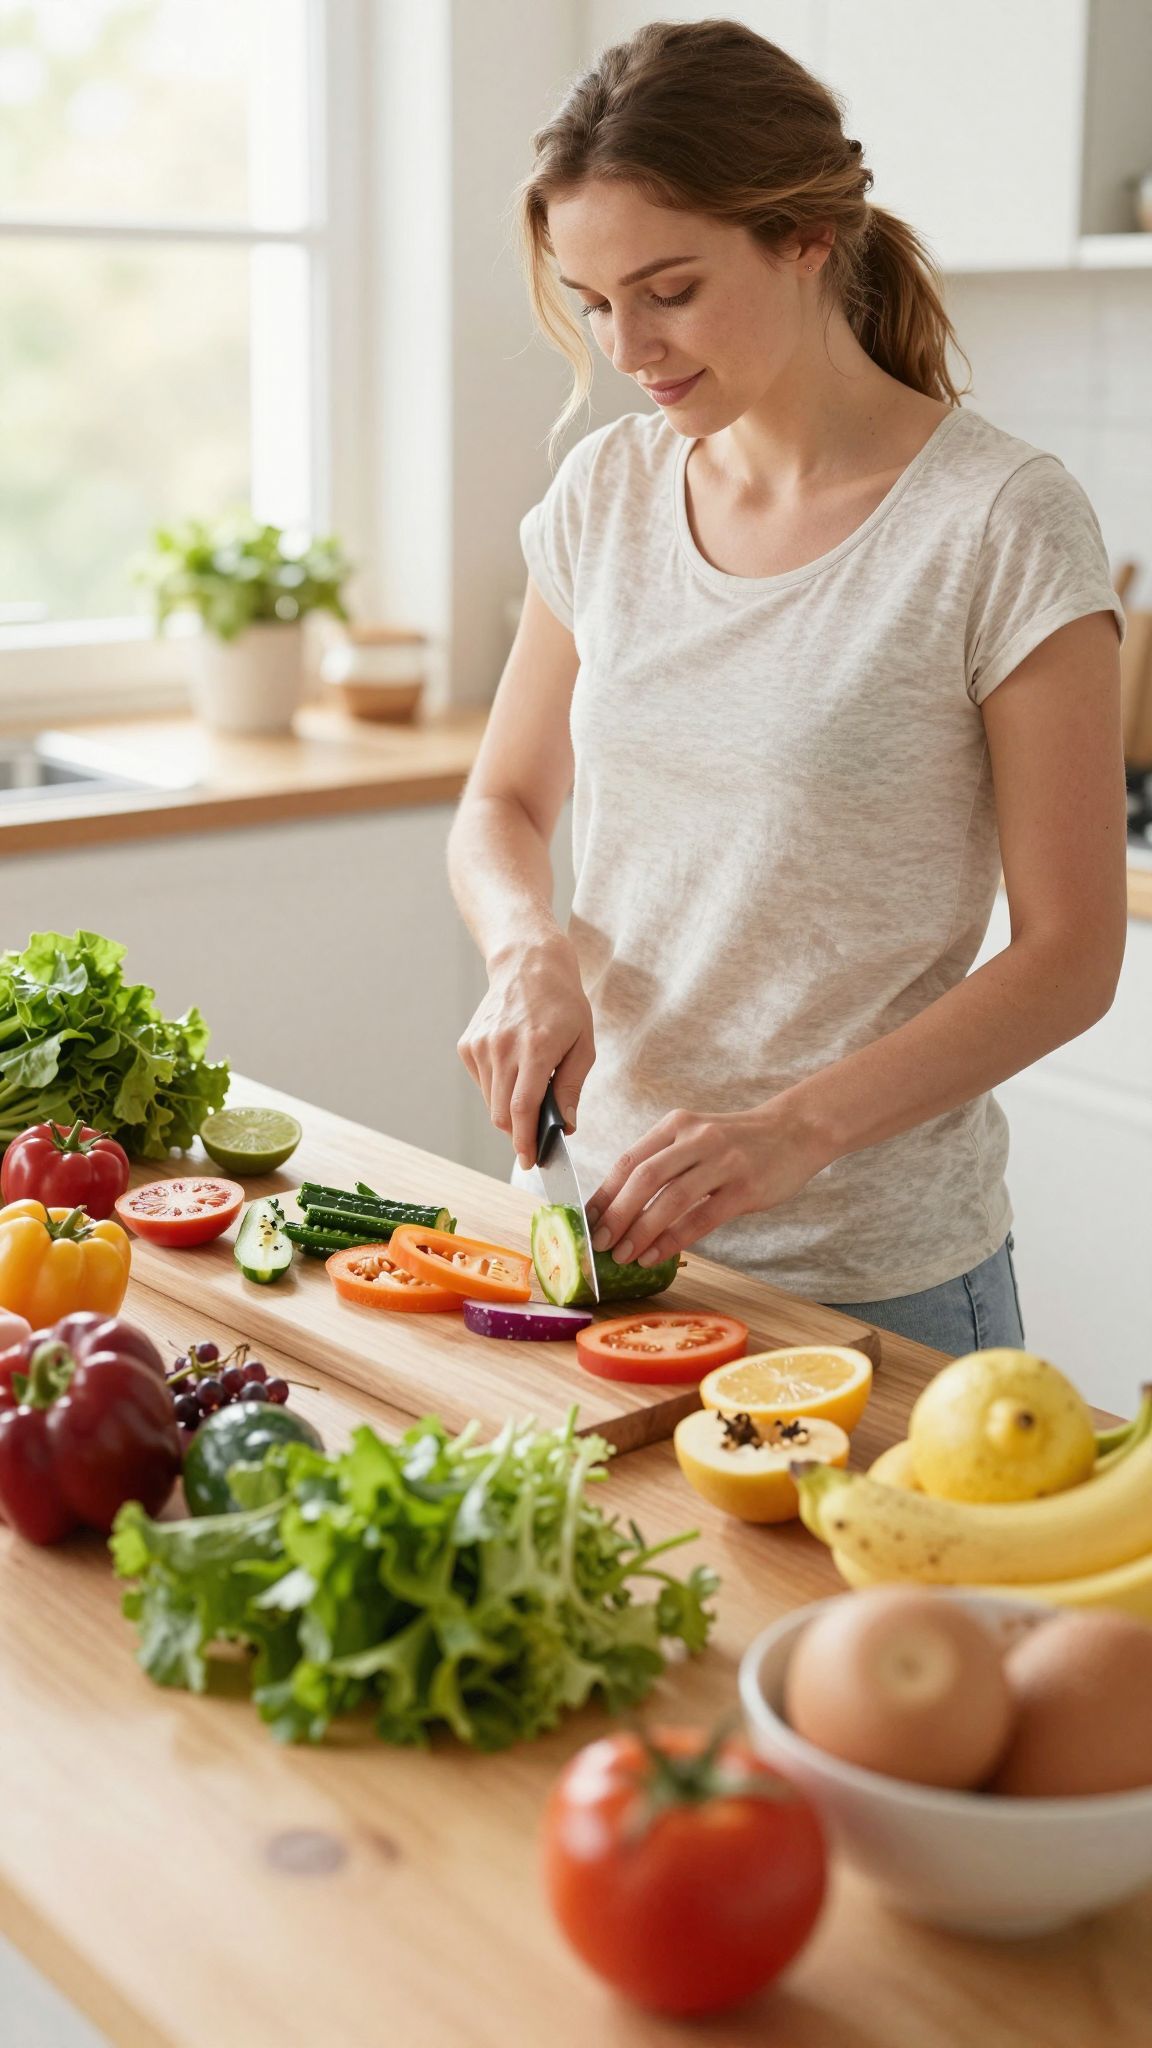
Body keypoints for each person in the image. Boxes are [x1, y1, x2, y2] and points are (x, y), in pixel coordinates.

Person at [446, 19, 1126, 1355]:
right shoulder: (606, 493)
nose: (628, 346)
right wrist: (528, 951)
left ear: (807, 233)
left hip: (878, 1279)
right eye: (592, 302)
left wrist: (792, 1133)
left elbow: (1072, 958)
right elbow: (505, 802)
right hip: (613, 1233)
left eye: (670, 289)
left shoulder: (997, 521)